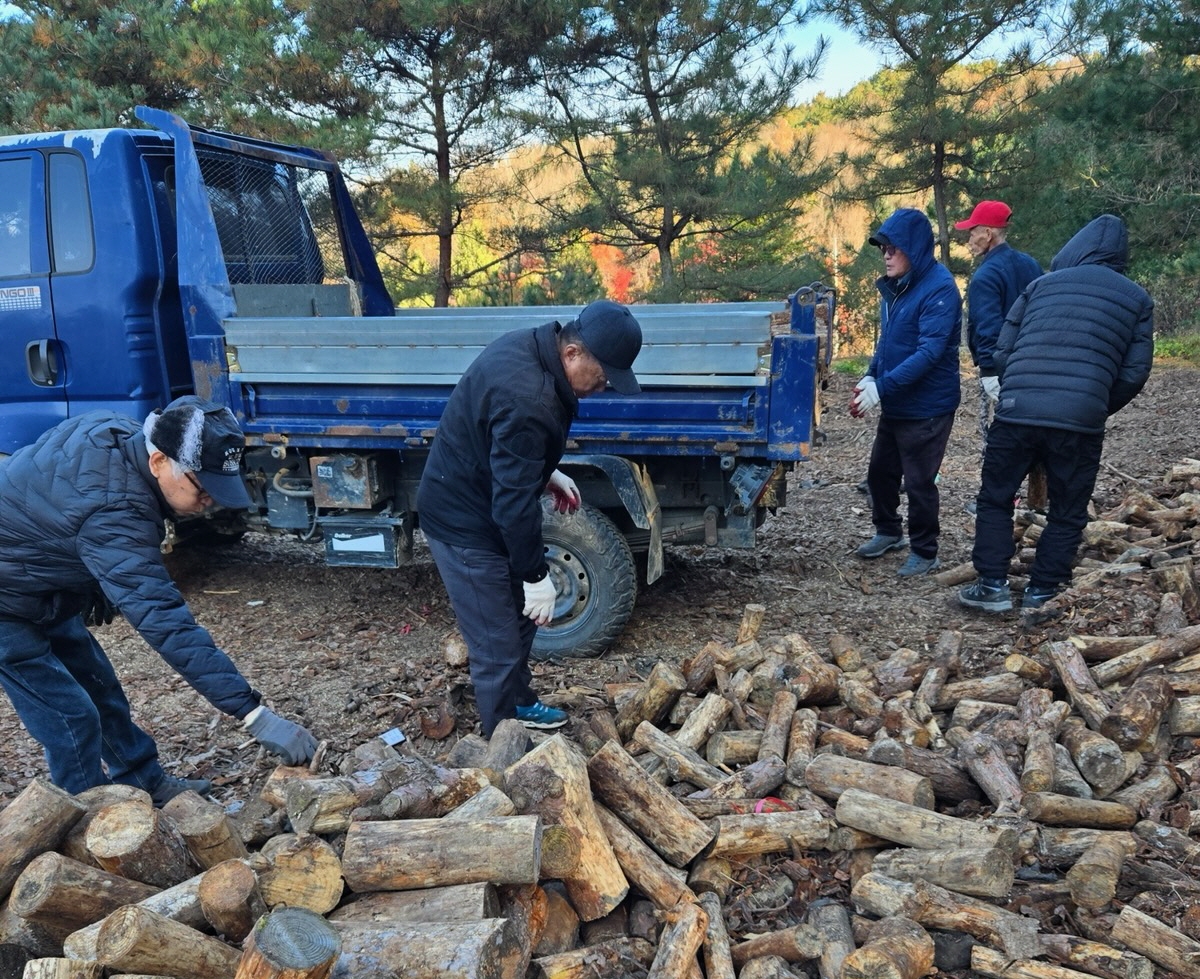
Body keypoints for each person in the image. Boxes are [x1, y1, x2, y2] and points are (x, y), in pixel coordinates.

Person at [0, 397, 318, 805]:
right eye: (202, 486)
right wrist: (254, 715)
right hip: (7, 607)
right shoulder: (115, 511)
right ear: (158, 463)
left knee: (102, 689)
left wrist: (93, 579)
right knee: (70, 717)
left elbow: (52, 498)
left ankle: (142, 781)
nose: (211, 501)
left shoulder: (115, 431)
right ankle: (80, 820)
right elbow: (167, 624)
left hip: (43, 589)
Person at [417, 300, 643, 737]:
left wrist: (544, 470)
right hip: (463, 521)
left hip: (486, 497)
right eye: (600, 379)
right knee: (496, 641)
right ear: (574, 353)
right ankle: (501, 742)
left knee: (521, 618)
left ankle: (519, 702)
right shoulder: (528, 396)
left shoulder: (535, 345)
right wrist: (537, 576)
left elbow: (501, 438)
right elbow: (512, 505)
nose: (599, 390)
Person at [958, 214, 1153, 613]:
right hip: (1080, 421)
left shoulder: (1039, 286)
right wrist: (1094, 403)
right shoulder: (1136, 298)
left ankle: (992, 586)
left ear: (1076, 248)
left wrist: (1018, 390)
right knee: (1068, 509)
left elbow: (1004, 350)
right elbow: (1134, 372)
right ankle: (1043, 589)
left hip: (1017, 413)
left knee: (995, 498)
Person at [851, 208, 962, 577]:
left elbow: (929, 354)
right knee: (880, 473)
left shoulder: (940, 289)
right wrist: (871, 376)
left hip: (929, 406)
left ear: (913, 250)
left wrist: (881, 387)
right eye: (883, 248)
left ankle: (925, 550)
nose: (886, 255)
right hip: (898, 400)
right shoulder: (895, 290)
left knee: (919, 481)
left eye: (893, 249)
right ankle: (888, 531)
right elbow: (887, 342)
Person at [954, 200, 1043, 481]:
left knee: (1003, 437)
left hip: (1004, 368)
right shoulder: (1031, 264)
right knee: (1036, 429)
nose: (968, 239)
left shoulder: (985, 275)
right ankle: (1038, 495)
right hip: (1035, 361)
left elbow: (988, 327)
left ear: (989, 234)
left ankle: (1003, 497)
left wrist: (989, 372)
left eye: (972, 232)